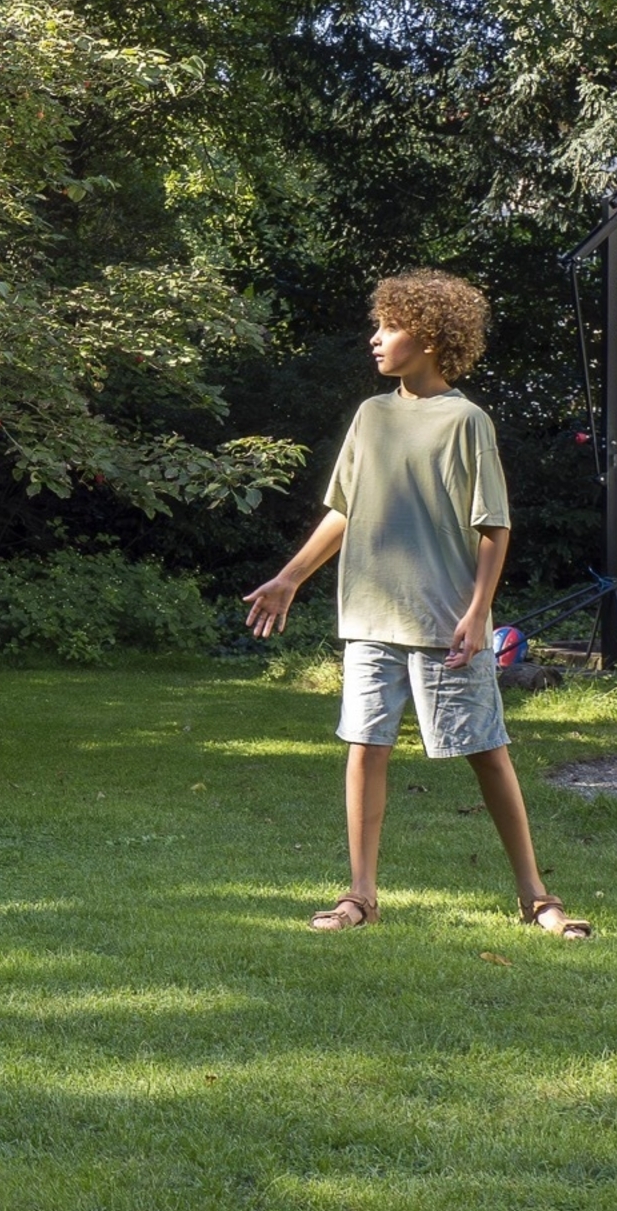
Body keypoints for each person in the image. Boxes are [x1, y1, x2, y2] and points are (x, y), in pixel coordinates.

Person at [243, 269, 591, 939]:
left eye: (389, 328)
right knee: (365, 747)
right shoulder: (372, 417)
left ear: (429, 338)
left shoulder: (466, 421)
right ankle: (360, 896)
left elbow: (495, 526)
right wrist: (290, 577)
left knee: (487, 751)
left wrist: (475, 613)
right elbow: (344, 510)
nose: (375, 340)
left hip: (445, 624)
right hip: (371, 618)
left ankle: (536, 896)